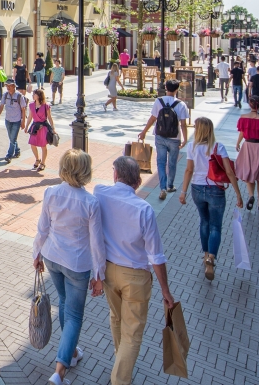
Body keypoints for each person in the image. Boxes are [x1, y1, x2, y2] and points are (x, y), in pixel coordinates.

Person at [93, 157, 175, 385]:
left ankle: (121, 361)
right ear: (138, 181)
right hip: (136, 276)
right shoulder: (144, 209)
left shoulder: (100, 193)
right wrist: (166, 291)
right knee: (133, 332)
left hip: (109, 270)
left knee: (117, 318)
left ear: (115, 175)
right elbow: (156, 256)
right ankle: (120, 378)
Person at [32, 149, 106, 385]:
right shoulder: (90, 202)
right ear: (85, 172)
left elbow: (42, 227)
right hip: (77, 264)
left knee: (64, 302)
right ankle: (59, 370)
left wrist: (37, 253)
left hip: (53, 257)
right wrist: (99, 275)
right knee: (74, 315)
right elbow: (97, 243)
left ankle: (72, 353)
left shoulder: (51, 192)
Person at [179, 117, 243, 280]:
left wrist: (183, 192)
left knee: (204, 221)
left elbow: (188, 170)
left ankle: (205, 253)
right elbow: (229, 172)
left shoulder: (192, 147)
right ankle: (211, 258)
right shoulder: (218, 147)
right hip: (215, 189)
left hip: (197, 189)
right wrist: (238, 193)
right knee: (215, 226)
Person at [138, 80, 189, 201]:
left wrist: (144, 131)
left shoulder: (158, 101)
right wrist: (185, 139)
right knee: (172, 163)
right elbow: (183, 124)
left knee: (161, 162)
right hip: (174, 138)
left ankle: (162, 188)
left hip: (160, 136)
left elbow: (152, 118)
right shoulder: (181, 104)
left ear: (166, 87)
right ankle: (170, 185)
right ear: (177, 89)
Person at [235, 96, 259, 212]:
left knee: (249, 173)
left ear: (249, 105)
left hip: (247, 147)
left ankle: (251, 195)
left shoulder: (243, 118)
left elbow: (241, 133)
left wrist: (237, 144)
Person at [0, 78, 27, 163]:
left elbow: (23, 109)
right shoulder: (5, 95)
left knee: (12, 138)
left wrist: (23, 121)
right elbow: (1, 106)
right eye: (7, 86)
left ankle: (9, 155)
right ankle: (17, 150)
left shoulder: (19, 96)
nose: (8, 87)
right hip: (8, 120)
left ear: (13, 86)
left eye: (9, 86)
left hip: (16, 120)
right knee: (12, 138)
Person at [27, 88, 55, 172]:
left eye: (34, 94)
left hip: (43, 127)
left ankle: (43, 163)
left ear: (38, 96)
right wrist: (26, 126)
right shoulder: (31, 105)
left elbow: (49, 117)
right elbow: (30, 117)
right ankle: (37, 159)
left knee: (43, 146)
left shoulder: (46, 106)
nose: (32, 95)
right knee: (32, 144)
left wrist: (53, 128)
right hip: (35, 127)